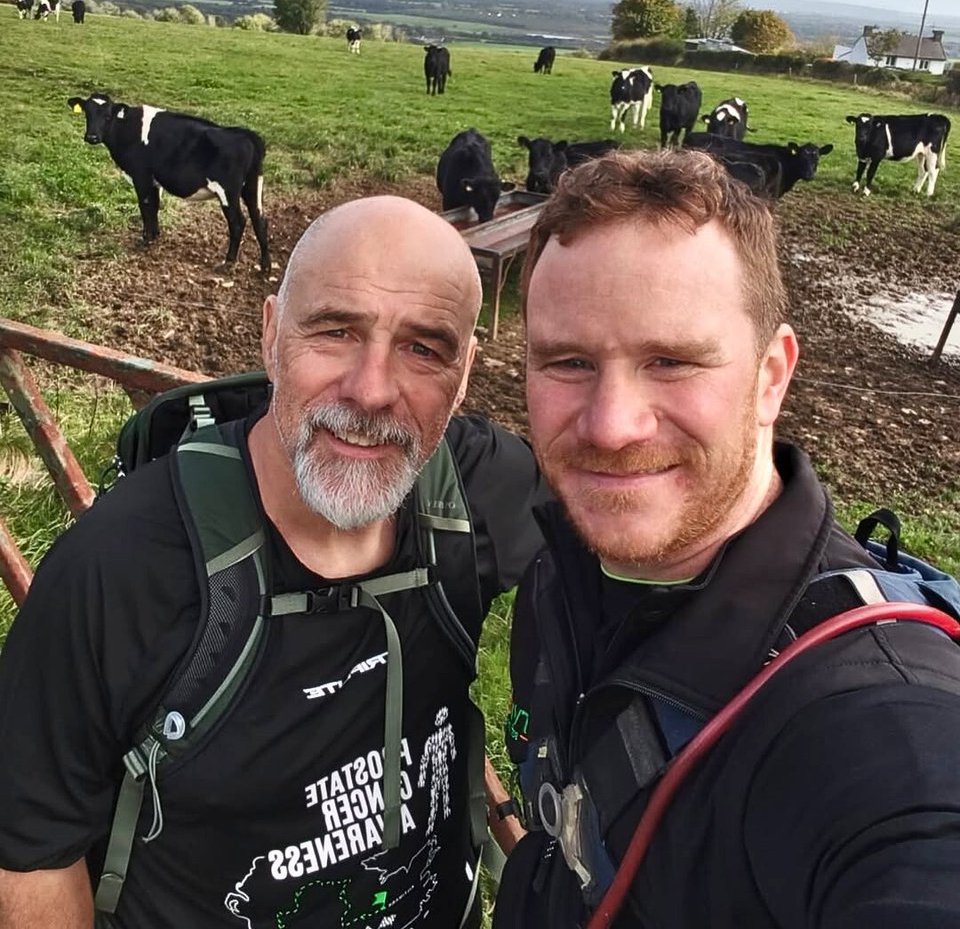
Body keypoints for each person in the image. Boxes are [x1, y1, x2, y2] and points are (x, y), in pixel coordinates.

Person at [0, 195, 547, 929]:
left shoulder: (479, 492)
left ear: (466, 369)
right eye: (334, 330)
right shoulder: (121, 565)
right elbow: (31, 850)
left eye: (424, 347)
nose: (372, 389)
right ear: (270, 335)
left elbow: (667, 525)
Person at [494, 149, 960, 929]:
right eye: (569, 361)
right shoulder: (564, 572)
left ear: (772, 375)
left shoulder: (879, 724)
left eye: (671, 362)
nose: (612, 426)